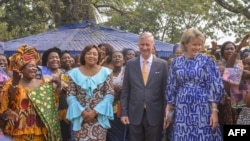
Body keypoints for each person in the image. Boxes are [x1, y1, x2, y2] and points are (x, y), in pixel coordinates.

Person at [165, 28, 224, 141]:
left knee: (205, 135)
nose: (197, 47)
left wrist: (214, 111)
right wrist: (168, 109)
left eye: (200, 44)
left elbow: (214, 85)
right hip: (182, 108)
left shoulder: (207, 61)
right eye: (194, 44)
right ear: (185, 44)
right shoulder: (176, 62)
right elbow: (171, 86)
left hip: (203, 107)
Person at [0, 45, 62, 141]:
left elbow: (52, 104)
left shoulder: (43, 83)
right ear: (22, 69)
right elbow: (7, 102)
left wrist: (58, 86)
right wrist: (15, 83)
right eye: (31, 66)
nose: (35, 68)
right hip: (19, 131)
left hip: (40, 130)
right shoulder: (10, 83)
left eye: (35, 66)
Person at [120, 32, 168, 141]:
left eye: (147, 44)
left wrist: (166, 114)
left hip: (155, 114)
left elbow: (165, 92)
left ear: (153, 45)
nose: (145, 47)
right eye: (142, 44)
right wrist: (124, 113)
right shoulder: (130, 64)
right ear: (138, 45)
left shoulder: (162, 64)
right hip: (134, 114)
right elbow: (126, 90)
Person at [66, 44, 114, 141]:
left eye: (95, 54)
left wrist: (95, 111)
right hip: (80, 118)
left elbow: (109, 94)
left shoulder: (106, 72)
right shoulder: (74, 72)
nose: (92, 56)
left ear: (98, 57)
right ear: (84, 55)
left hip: (99, 117)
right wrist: (82, 112)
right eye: (89, 53)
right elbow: (70, 95)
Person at [106, 51, 128, 141]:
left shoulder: (128, 72)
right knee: (113, 133)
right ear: (112, 60)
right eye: (115, 57)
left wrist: (123, 90)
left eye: (119, 57)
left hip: (126, 108)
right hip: (111, 108)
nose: (117, 58)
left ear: (123, 60)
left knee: (125, 133)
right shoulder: (107, 74)